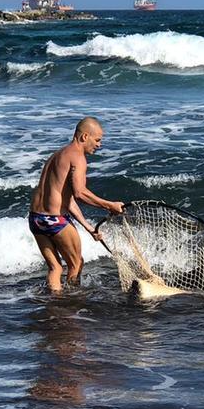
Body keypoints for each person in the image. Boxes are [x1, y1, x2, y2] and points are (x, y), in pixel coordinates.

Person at [29, 117, 124, 293]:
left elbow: (68, 201)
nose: (99, 145)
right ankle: (71, 302)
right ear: (84, 136)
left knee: (56, 268)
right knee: (76, 263)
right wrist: (109, 205)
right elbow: (80, 193)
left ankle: (54, 305)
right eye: (97, 140)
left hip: (35, 219)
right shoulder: (77, 157)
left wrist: (89, 228)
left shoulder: (57, 156)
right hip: (55, 220)